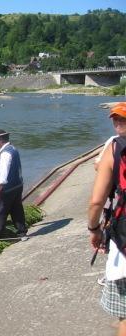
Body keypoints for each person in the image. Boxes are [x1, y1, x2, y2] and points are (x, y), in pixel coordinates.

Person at [89, 102, 126, 335]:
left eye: (121, 119)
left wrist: (94, 229)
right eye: (115, 119)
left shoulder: (113, 148)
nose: (117, 122)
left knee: (125, 314)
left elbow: (96, 202)